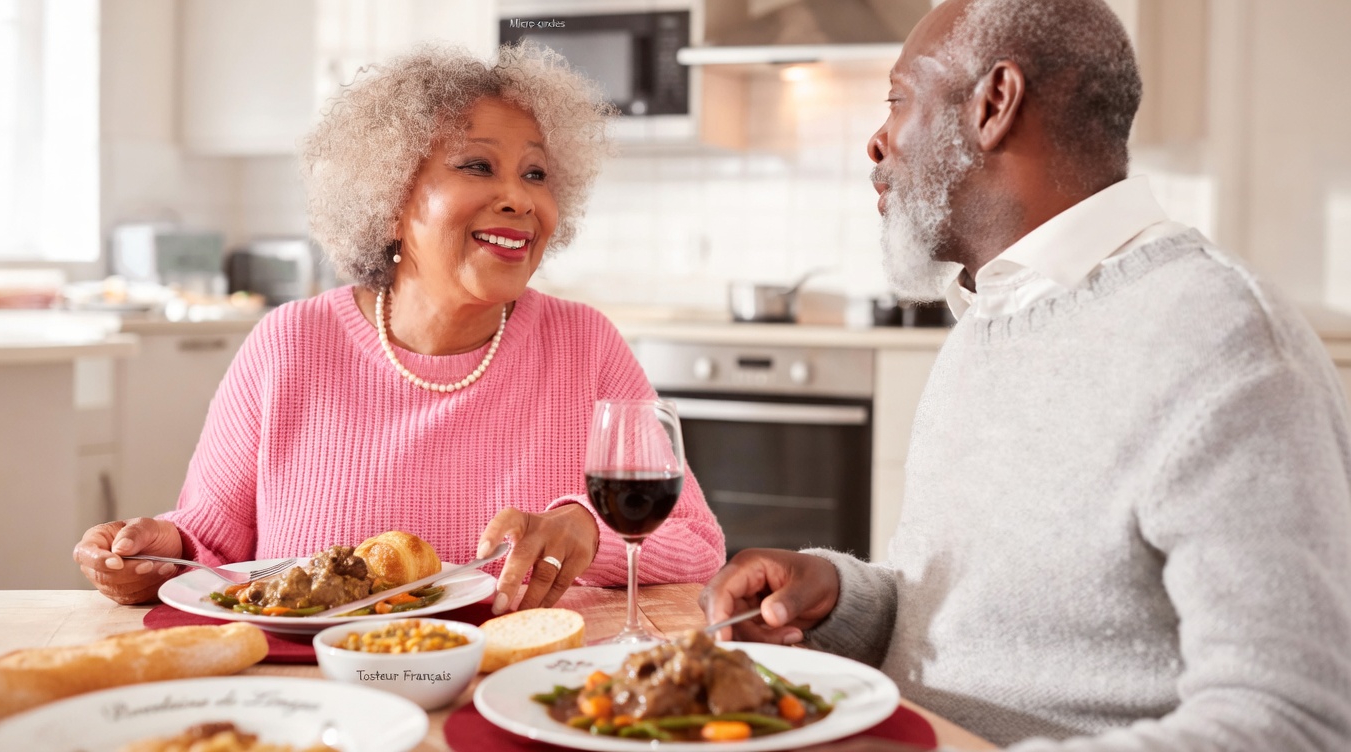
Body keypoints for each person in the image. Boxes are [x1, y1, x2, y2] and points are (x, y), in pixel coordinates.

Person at [701, 0, 1351, 749]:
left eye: (898, 100)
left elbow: (1293, 722)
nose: (877, 142)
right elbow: (975, 625)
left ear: (994, 103)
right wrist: (841, 598)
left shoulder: (1223, 339)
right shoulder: (993, 315)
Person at [74, 44, 725, 612]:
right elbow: (210, 541)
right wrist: (154, 554)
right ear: (389, 202)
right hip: (320, 692)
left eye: (536, 174)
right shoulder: (289, 343)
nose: (520, 198)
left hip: (525, 684)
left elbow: (695, 543)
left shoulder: (585, 344)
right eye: (478, 166)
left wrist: (588, 531)